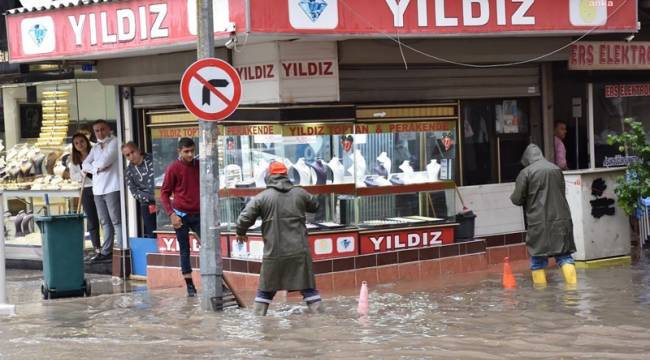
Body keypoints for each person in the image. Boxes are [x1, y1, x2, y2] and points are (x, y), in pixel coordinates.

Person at [236, 162, 322, 316]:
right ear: (286, 175)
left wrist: (241, 232)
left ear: (269, 176)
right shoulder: (299, 193)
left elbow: (244, 218)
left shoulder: (262, 198)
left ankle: (258, 330)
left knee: (265, 293)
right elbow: (315, 205)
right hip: (299, 253)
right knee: (309, 291)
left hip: (274, 254)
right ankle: (322, 324)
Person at [510, 144, 577, 287]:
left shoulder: (526, 172)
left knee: (538, 261)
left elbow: (517, 199)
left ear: (526, 159)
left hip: (538, 222)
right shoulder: (556, 169)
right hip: (561, 219)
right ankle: (573, 292)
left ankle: (541, 300)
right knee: (565, 257)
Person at [160, 138, 200, 297]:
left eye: (192, 151)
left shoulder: (199, 165)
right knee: (185, 250)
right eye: (186, 152)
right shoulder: (173, 168)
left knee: (210, 248)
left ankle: (217, 280)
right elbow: (164, 193)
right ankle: (189, 285)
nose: (190, 155)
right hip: (180, 215)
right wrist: (171, 214)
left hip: (199, 214)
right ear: (179, 151)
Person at [82, 120, 121, 262]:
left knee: (116, 220)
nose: (100, 133)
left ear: (108, 129)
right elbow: (85, 164)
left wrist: (95, 167)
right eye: (97, 131)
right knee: (104, 221)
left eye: (102, 129)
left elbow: (105, 161)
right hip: (97, 189)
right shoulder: (96, 147)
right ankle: (106, 251)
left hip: (112, 187)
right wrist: (96, 169)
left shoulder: (115, 142)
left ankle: (122, 250)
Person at [68, 133, 101, 258]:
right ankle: (97, 247)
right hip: (86, 190)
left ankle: (109, 246)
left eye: (82, 141)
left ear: (86, 141)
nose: (80, 145)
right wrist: (82, 173)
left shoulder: (95, 153)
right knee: (92, 220)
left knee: (104, 218)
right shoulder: (75, 160)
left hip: (100, 188)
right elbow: (73, 176)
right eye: (76, 143)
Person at [122, 142, 156, 239]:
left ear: (139, 150)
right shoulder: (129, 171)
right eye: (127, 155)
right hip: (147, 203)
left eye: (133, 152)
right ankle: (153, 253)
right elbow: (135, 192)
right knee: (151, 232)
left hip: (164, 199)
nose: (131, 156)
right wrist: (152, 197)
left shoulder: (154, 158)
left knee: (168, 229)